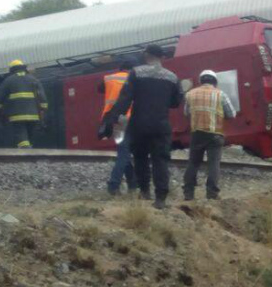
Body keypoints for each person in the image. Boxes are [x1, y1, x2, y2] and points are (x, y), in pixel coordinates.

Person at [99, 45, 180, 209]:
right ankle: (160, 198)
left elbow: (125, 99)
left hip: (139, 123)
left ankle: (144, 192)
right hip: (161, 124)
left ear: (146, 55)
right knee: (160, 160)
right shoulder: (172, 77)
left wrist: (111, 119)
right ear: (162, 57)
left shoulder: (136, 73)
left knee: (141, 158)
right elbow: (176, 102)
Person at [183, 69, 236, 200]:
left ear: (201, 81)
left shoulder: (190, 94)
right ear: (215, 82)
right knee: (214, 164)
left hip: (197, 133)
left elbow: (186, 113)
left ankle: (188, 194)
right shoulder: (221, 94)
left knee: (193, 163)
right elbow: (231, 114)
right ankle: (212, 194)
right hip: (215, 134)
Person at [99, 62, 138, 195]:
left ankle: (131, 184)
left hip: (115, 120)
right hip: (130, 118)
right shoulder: (135, 79)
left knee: (123, 151)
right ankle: (114, 185)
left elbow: (99, 89)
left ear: (120, 68)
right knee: (124, 153)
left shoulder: (109, 78)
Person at [0, 59, 48, 148]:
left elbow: (0, 98)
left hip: (17, 116)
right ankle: (29, 154)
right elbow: (42, 96)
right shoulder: (33, 79)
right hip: (34, 115)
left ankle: (26, 153)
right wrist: (43, 109)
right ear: (23, 68)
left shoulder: (8, 81)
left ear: (12, 70)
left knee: (21, 135)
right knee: (30, 136)